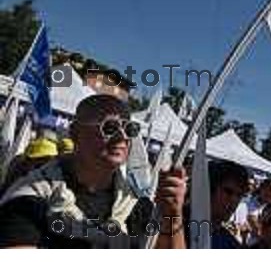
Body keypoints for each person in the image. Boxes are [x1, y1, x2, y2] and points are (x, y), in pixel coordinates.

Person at [0, 94, 187, 249]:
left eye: (130, 129)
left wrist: (172, 213)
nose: (122, 137)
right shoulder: (33, 196)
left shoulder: (133, 205)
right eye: (110, 127)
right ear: (75, 133)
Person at [207, 160, 250, 249]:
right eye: (228, 192)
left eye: (239, 195)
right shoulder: (176, 225)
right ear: (210, 190)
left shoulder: (231, 245)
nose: (234, 200)